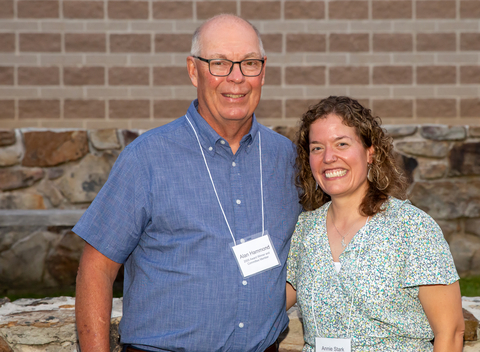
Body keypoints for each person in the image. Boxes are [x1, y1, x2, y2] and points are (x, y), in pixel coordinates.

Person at [74, 14, 302, 352]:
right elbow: (96, 270)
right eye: (220, 63)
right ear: (193, 70)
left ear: (263, 70)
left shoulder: (286, 158)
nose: (236, 78)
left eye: (249, 63)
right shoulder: (146, 158)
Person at [285, 96, 464, 351]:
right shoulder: (305, 228)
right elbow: (273, 302)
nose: (328, 157)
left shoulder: (412, 228)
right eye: (317, 148)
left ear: (371, 152)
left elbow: (451, 332)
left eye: (342, 144)